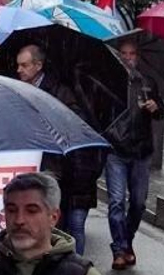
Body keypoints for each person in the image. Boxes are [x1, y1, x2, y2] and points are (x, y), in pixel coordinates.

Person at [19, 45, 102, 256]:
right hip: (32, 163)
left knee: (67, 227)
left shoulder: (59, 92)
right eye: (18, 65)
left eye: (24, 65)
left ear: (38, 66)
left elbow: (72, 125)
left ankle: (74, 272)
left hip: (57, 168)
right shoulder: (18, 90)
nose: (19, 70)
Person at [103, 37, 164, 271]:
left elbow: (160, 112)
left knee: (138, 203)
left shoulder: (147, 82)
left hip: (141, 150)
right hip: (116, 150)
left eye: (132, 54)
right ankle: (119, 249)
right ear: (119, 56)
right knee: (116, 202)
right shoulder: (110, 82)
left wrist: (155, 107)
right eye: (124, 54)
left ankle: (126, 240)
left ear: (137, 57)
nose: (128, 58)